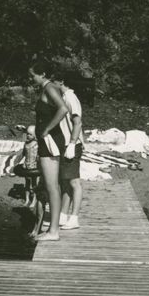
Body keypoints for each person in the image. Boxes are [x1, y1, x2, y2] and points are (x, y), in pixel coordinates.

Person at [28, 60, 71, 241]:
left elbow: (63, 109)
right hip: (49, 141)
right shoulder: (48, 88)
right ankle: (53, 228)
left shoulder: (50, 88)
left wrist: (46, 129)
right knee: (53, 185)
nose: (31, 79)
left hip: (50, 141)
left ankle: (53, 231)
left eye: (33, 75)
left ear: (42, 73)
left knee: (52, 186)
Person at [55, 77, 84, 230]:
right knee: (65, 181)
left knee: (74, 182)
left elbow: (77, 122)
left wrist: (72, 143)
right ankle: (63, 214)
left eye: (53, 81)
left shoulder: (71, 98)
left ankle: (74, 218)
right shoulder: (64, 97)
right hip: (64, 144)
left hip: (72, 144)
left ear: (61, 81)